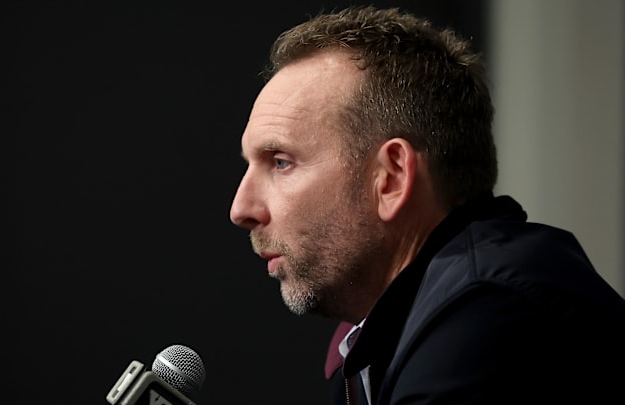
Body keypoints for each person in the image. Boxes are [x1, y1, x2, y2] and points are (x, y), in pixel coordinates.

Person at [228, 5, 625, 405]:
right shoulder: (385, 334)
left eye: (280, 162)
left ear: (392, 176)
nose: (241, 209)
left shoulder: (488, 316)